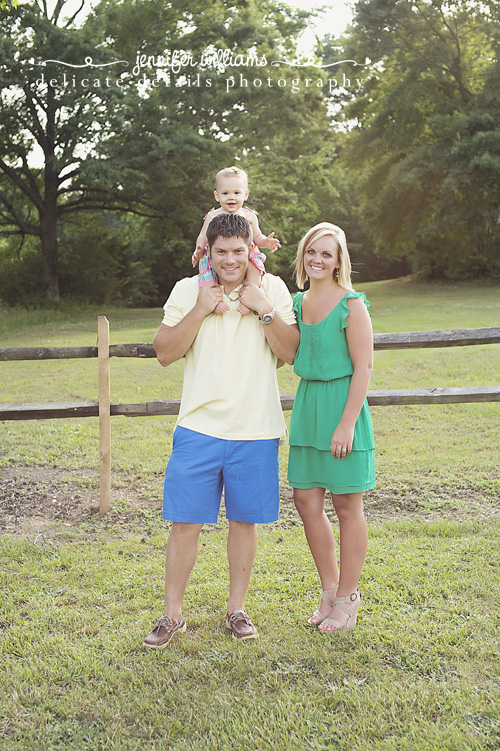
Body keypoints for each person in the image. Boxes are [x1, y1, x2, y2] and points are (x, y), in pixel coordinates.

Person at [143, 213, 299, 648]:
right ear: (208, 252)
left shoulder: (273, 289)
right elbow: (165, 352)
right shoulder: (187, 290)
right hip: (198, 425)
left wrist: (263, 311)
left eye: (238, 251)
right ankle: (172, 615)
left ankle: (237, 609)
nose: (230, 260)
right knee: (185, 522)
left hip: (256, 426)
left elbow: (290, 354)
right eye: (221, 251)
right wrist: (201, 309)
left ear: (251, 250)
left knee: (244, 522)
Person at [287, 222, 375, 634]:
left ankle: (348, 598)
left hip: (344, 407)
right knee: (305, 500)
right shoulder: (295, 302)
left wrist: (346, 425)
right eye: (311, 252)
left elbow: (364, 368)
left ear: (340, 261)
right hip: (308, 405)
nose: (317, 259)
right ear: (303, 256)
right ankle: (329, 591)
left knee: (346, 506)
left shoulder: (351, 304)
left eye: (327, 253)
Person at [192, 166, 280, 315]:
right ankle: (215, 302)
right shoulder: (213, 216)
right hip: (217, 254)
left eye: (236, 193)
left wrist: (266, 242)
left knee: (255, 270)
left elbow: (257, 237)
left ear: (245, 195)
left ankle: (250, 300)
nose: (231, 197)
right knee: (207, 273)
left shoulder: (249, 216)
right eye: (225, 193)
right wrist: (199, 249)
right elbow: (203, 236)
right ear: (217, 196)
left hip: (246, 253)